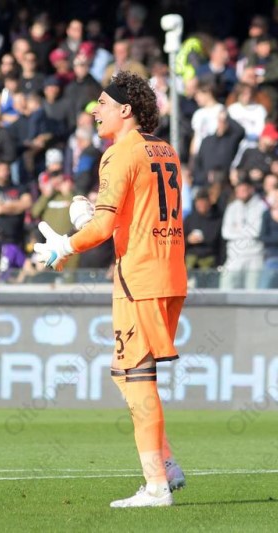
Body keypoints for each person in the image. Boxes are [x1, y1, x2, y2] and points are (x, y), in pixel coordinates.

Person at [32, 71, 186, 508]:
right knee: (125, 373)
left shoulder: (120, 154)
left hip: (139, 277)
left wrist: (66, 244)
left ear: (125, 109)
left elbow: (103, 228)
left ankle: (156, 486)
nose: (95, 111)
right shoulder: (166, 150)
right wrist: (90, 219)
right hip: (168, 272)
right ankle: (166, 465)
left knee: (138, 378)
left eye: (102, 104)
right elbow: (131, 218)